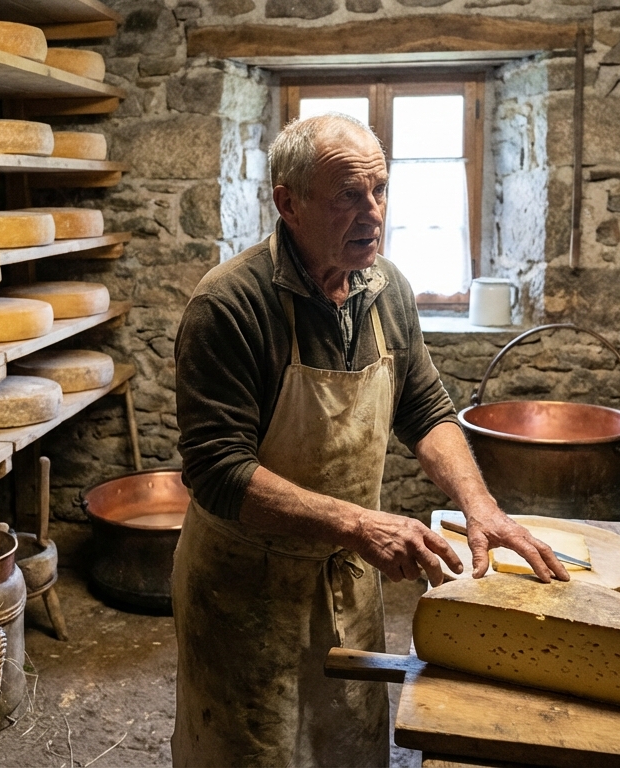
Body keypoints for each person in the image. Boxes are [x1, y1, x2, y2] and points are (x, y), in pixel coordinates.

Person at [169, 113, 569, 767]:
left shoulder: (388, 290)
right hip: (247, 589)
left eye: (380, 190)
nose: (373, 213)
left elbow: (426, 408)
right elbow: (219, 472)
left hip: (347, 580)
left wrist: (480, 504)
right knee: (251, 749)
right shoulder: (229, 307)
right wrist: (361, 525)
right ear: (287, 203)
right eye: (348, 196)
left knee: (345, 745)